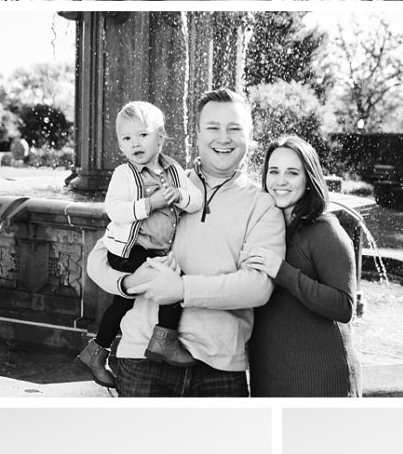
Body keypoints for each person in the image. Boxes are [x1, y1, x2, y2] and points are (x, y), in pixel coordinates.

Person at [86, 89, 286, 397]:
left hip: (219, 365)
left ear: (250, 135)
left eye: (234, 128)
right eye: (213, 128)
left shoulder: (264, 205)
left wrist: (182, 290)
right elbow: (99, 258)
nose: (224, 138)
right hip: (141, 358)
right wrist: (127, 282)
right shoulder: (162, 183)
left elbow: (257, 287)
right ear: (197, 133)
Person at [77, 101, 204, 389]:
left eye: (142, 135)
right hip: (128, 249)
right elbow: (115, 210)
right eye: (127, 138)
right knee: (170, 282)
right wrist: (150, 204)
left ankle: (96, 351)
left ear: (160, 137)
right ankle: (164, 340)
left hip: (154, 250)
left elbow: (196, 201)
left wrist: (180, 196)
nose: (135, 143)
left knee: (123, 300)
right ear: (121, 146)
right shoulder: (124, 175)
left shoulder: (174, 170)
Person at [245, 135, 361, 397]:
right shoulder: (262, 230)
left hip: (320, 381)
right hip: (270, 375)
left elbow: (345, 307)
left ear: (308, 179)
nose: (281, 181)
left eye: (292, 173)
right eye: (273, 171)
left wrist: (283, 272)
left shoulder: (324, 230)